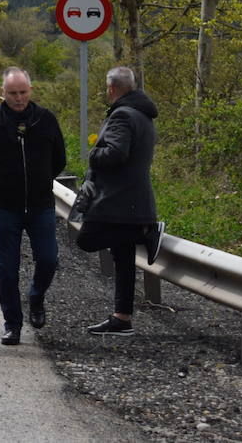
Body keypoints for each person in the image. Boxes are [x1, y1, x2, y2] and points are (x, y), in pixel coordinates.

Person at [0, 67, 66, 344]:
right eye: (12, 93)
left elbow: (59, 159)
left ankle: (36, 297)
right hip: (6, 207)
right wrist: (0, 183)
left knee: (49, 260)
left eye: (22, 93)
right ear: (2, 93)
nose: (18, 98)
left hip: (41, 206)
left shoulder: (45, 120)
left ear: (30, 91)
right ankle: (12, 323)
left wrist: (40, 180)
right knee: (6, 267)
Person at [75, 66, 165, 336]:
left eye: (106, 87)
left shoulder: (123, 116)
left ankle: (145, 233)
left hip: (118, 201)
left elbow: (115, 153)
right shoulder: (142, 115)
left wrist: (93, 153)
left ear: (112, 88)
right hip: (132, 201)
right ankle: (122, 317)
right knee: (123, 257)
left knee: (86, 240)